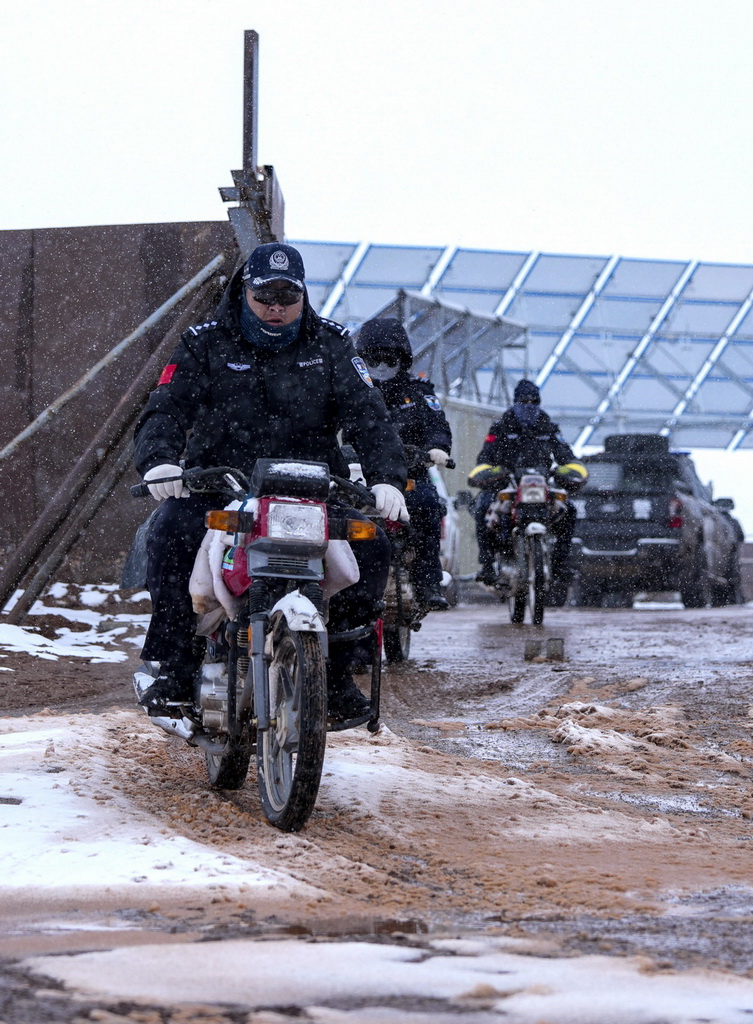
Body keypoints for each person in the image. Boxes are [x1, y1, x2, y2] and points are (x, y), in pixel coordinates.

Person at [133, 242, 408, 723]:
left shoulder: (332, 344)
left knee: (372, 546)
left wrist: (387, 480)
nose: (276, 307)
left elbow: (370, 418)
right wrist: (159, 461)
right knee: (171, 530)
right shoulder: (204, 342)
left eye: (288, 295)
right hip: (220, 485)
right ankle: (176, 668)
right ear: (245, 291)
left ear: (303, 295)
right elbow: (166, 406)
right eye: (265, 295)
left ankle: (338, 675)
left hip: (312, 489)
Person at [353, 317, 453, 611]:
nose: (382, 366)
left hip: (409, 476)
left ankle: (428, 581)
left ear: (402, 359)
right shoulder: (354, 389)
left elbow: (437, 424)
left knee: (428, 504)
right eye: (375, 358)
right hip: (361, 476)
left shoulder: (419, 391)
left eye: (389, 358)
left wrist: (437, 448)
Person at [467, 379, 587, 601]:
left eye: (534, 401)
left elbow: (566, 455)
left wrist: (570, 471)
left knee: (568, 510)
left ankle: (560, 564)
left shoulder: (548, 427)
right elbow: (484, 458)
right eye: (524, 401)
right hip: (508, 483)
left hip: (541, 485)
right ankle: (486, 565)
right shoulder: (501, 427)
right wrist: (494, 474)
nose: (529, 406)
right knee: (482, 506)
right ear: (515, 402)